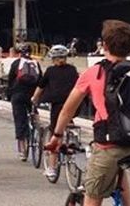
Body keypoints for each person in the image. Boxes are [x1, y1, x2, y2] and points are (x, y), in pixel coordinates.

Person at [46, 20, 130, 206]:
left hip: (110, 143)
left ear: (104, 45)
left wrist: (57, 136)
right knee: (119, 166)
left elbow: (67, 110)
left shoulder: (94, 72)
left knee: (93, 194)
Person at [31, 44, 78, 179]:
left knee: (55, 132)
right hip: (74, 104)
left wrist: (34, 98)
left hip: (58, 105)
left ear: (53, 58)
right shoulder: (73, 69)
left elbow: (41, 87)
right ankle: (72, 143)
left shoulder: (50, 71)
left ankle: (51, 167)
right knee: (69, 120)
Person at [6, 43, 42, 161]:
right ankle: (38, 128)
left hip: (18, 95)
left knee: (20, 121)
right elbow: (41, 81)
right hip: (32, 95)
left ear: (19, 53)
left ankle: (22, 149)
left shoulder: (16, 64)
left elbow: (10, 80)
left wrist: (8, 94)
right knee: (33, 111)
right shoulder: (35, 64)